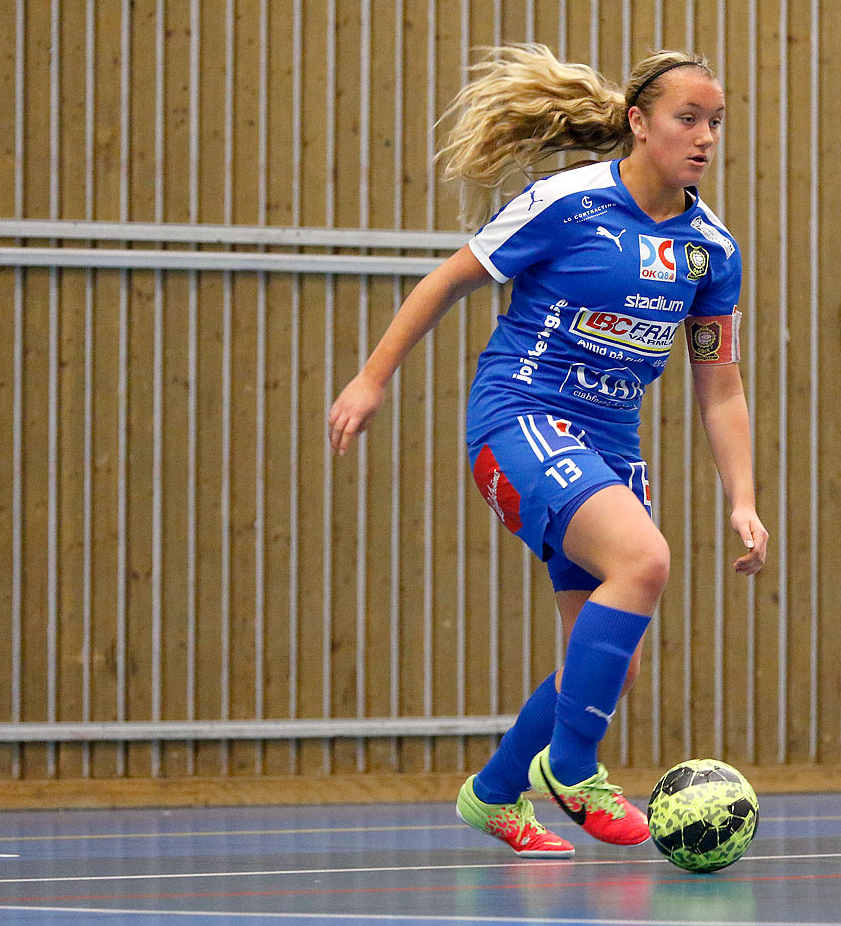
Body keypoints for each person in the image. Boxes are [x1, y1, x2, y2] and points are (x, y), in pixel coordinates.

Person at [326, 43, 768, 858]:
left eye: (716, 122)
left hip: (608, 444)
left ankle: (494, 794)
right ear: (639, 124)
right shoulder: (566, 202)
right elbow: (448, 279)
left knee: (607, 670)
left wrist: (742, 497)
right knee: (645, 561)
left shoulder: (713, 249)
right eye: (687, 118)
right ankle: (571, 768)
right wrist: (371, 379)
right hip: (519, 415)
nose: (705, 137)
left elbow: (721, 386)